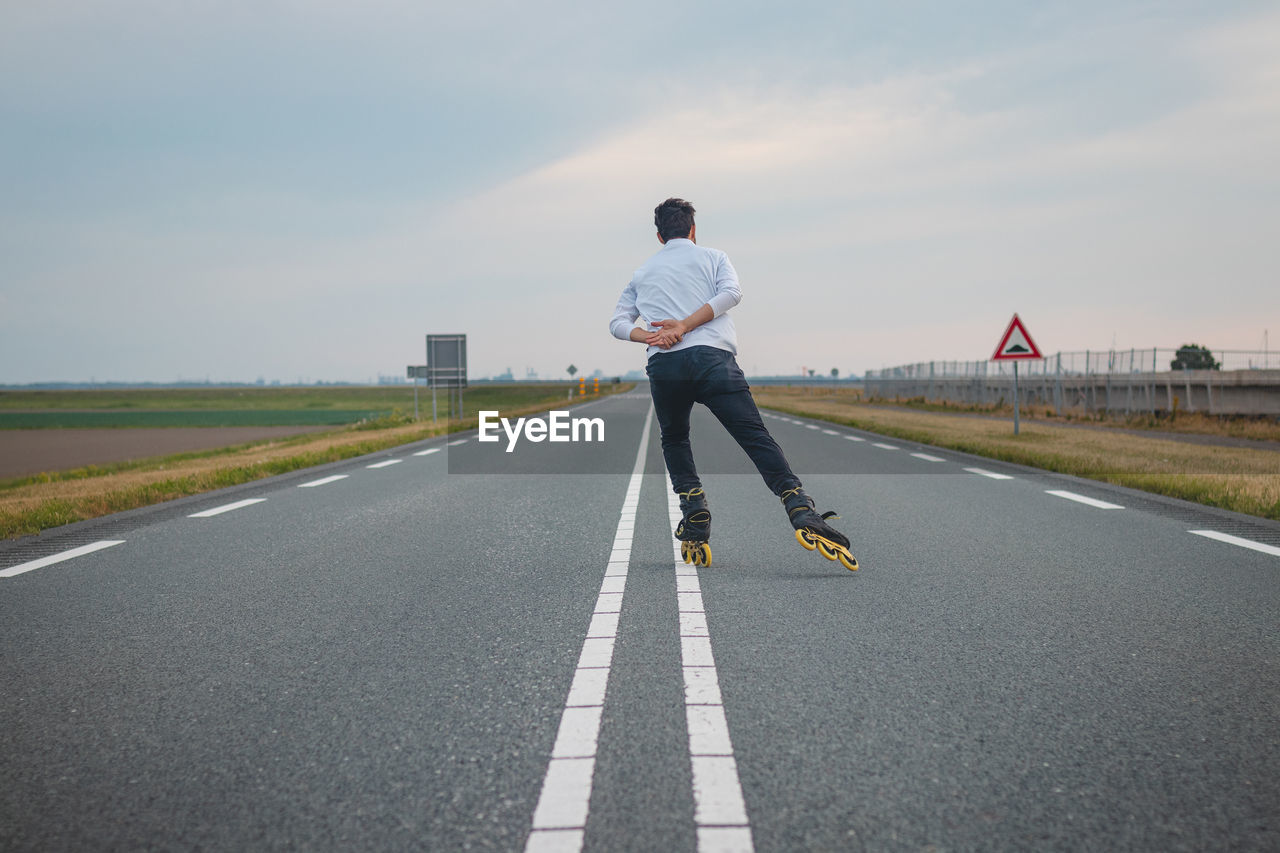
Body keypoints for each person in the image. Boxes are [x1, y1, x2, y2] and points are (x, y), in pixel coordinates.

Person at [609, 198, 857, 571]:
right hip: (713, 362)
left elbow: (616, 323)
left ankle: (694, 512)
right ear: (693, 230)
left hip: (666, 367)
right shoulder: (714, 257)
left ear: (659, 235)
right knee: (755, 437)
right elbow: (731, 295)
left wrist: (651, 336)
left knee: (675, 438)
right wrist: (688, 326)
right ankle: (799, 506)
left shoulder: (642, 273)